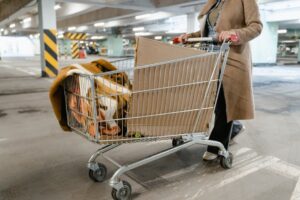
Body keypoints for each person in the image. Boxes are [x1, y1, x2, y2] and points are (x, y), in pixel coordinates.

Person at [178, 0, 262, 160]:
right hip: (210, 59)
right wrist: (190, 36)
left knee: (224, 104)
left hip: (232, 57)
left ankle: (216, 146)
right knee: (213, 103)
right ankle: (234, 127)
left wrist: (235, 34)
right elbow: (209, 31)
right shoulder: (214, 2)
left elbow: (256, 26)